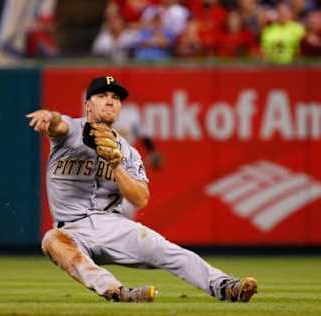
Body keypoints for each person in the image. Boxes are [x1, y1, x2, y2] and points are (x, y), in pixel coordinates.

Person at [26, 76, 258, 303]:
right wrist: (49, 116)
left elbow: (140, 199)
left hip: (112, 226)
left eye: (115, 98)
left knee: (168, 250)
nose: (110, 101)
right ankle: (117, 291)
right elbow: (58, 125)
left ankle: (225, 286)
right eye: (102, 96)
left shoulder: (128, 152)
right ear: (88, 104)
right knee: (51, 240)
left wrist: (116, 166)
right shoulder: (72, 131)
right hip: (71, 230)